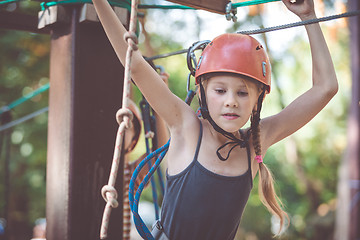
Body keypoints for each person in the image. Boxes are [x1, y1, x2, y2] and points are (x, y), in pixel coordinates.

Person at [92, 0, 338, 239]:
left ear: (257, 100)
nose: (231, 101)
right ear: (202, 93)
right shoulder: (187, 127)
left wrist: (309, 17)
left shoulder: (255, 143)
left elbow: (326, 88)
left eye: (242, 93)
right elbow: (133, 63)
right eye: (220, 91)